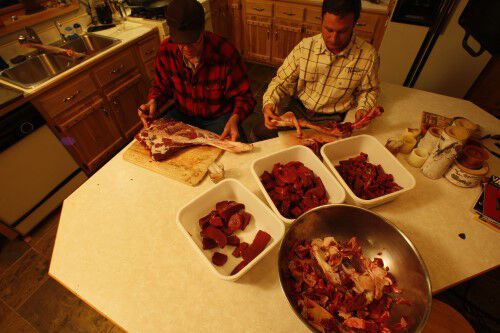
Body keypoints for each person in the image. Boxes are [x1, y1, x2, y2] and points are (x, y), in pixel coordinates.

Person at [138, 0, 255, 142]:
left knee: (239, 152)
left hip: (218, 118)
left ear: (202, 30)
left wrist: (235, 118)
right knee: (152, 142)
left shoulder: (225, 52)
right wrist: (153, 101)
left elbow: (245, 97)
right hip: (183, 115)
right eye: (181, 42)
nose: (187, 48)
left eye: (193, 41)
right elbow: (161, 87)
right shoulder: (166, 49)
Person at [260, 0, 380, 136]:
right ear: (321, 21)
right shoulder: (305, 47)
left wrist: (363, 108)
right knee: (260, 133)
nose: (334, 39)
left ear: (354, 25)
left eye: (342, 31)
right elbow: (281, 81)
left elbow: (368, 90)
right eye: (328, 29)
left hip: (333, 118)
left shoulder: (368, 55)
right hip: (299, 109)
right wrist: (270, 103)